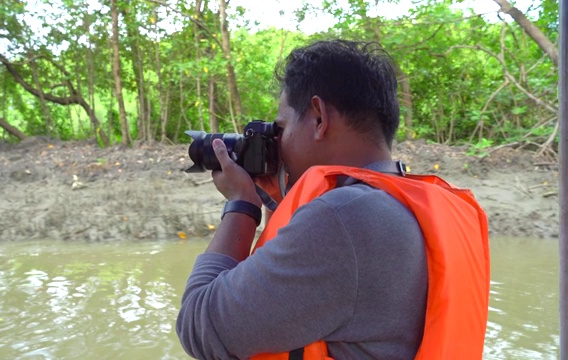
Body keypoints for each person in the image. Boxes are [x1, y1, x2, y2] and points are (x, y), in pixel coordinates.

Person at [176, 39, 490, 359]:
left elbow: (200, 328)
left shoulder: (341, 219)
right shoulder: (403, 206)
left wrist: (241, 204)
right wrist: (281, 202)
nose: (278, 144)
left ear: (319, 118)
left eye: (281, 128)